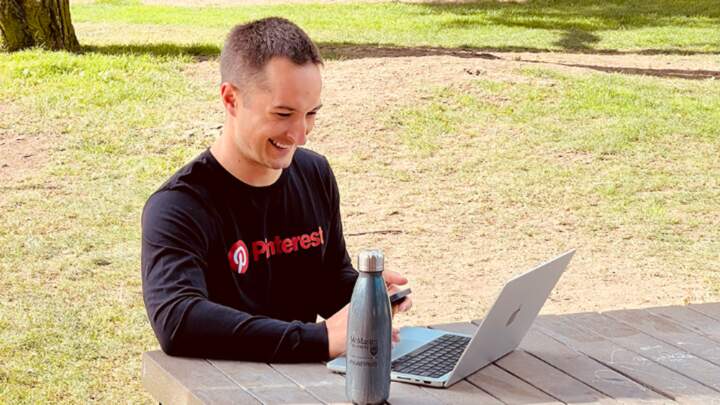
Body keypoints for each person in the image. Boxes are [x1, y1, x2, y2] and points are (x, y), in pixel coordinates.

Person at [141, 17, 411, 363]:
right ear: (231, 99)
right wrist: (319, 340)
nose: (300, 135)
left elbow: (326, 280)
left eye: (311, 113)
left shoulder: (315, 173)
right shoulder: (179, 205)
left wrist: (366, 293)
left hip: (301, 385)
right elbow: (178, 321)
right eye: (283, 114)